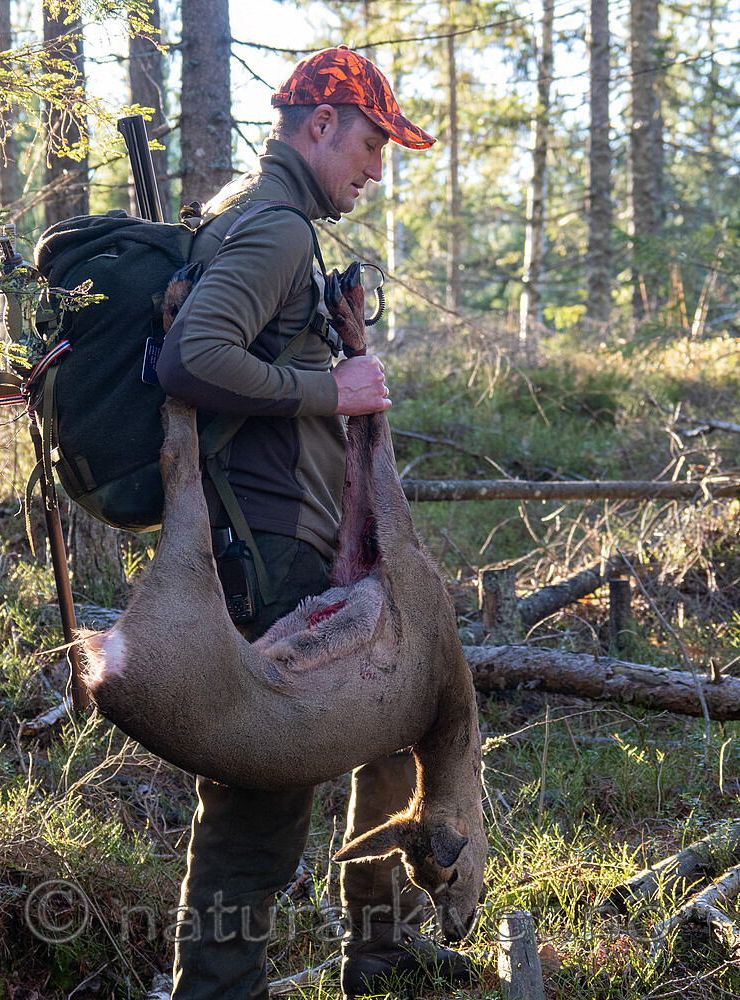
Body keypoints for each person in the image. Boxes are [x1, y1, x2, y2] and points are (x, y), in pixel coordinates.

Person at [157, 45, 475, 1000]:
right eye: (372, 141)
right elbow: (190, 360)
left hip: (302, 539)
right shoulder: (278, 228)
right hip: (273, 547)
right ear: (320, 124)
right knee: (261, 804)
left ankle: (378, 948)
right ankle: (217, 989)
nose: (377, 166)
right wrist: (325, 385)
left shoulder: (262, 217)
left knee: (391, 723)